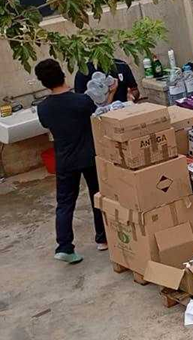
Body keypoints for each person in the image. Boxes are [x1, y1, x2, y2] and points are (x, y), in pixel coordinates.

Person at [34, 59, 106, 264]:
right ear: (62, 73)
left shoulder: (44, 108)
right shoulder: (81, 101)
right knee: (97, 196)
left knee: (64, 203)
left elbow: (48, 126)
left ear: (43, 83)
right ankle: (102, 239)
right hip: (88, 156)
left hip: (64, 159)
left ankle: (64, 246)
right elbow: (98, 115)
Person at [73, 58, 137, 103]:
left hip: (123, 111)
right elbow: (80, 102)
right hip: (98, 117)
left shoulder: (121, 65)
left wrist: (131, 96)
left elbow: (134, 90)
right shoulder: (84, 72)